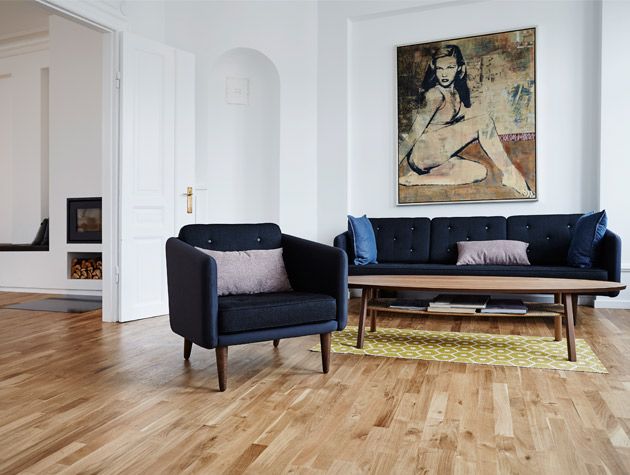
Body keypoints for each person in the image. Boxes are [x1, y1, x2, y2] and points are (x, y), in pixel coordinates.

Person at [398, 44, 534, 198]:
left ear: (459, 69)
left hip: (438, 157)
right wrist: (393, 165)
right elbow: (414, 133)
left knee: (479, 172)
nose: (444, 73)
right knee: (484, 122)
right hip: (422, 153)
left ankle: (417, 179)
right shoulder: (434, 94)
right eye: (440, 68)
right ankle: (511, 174)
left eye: (449, 67)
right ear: (434, 68)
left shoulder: (455, 93)